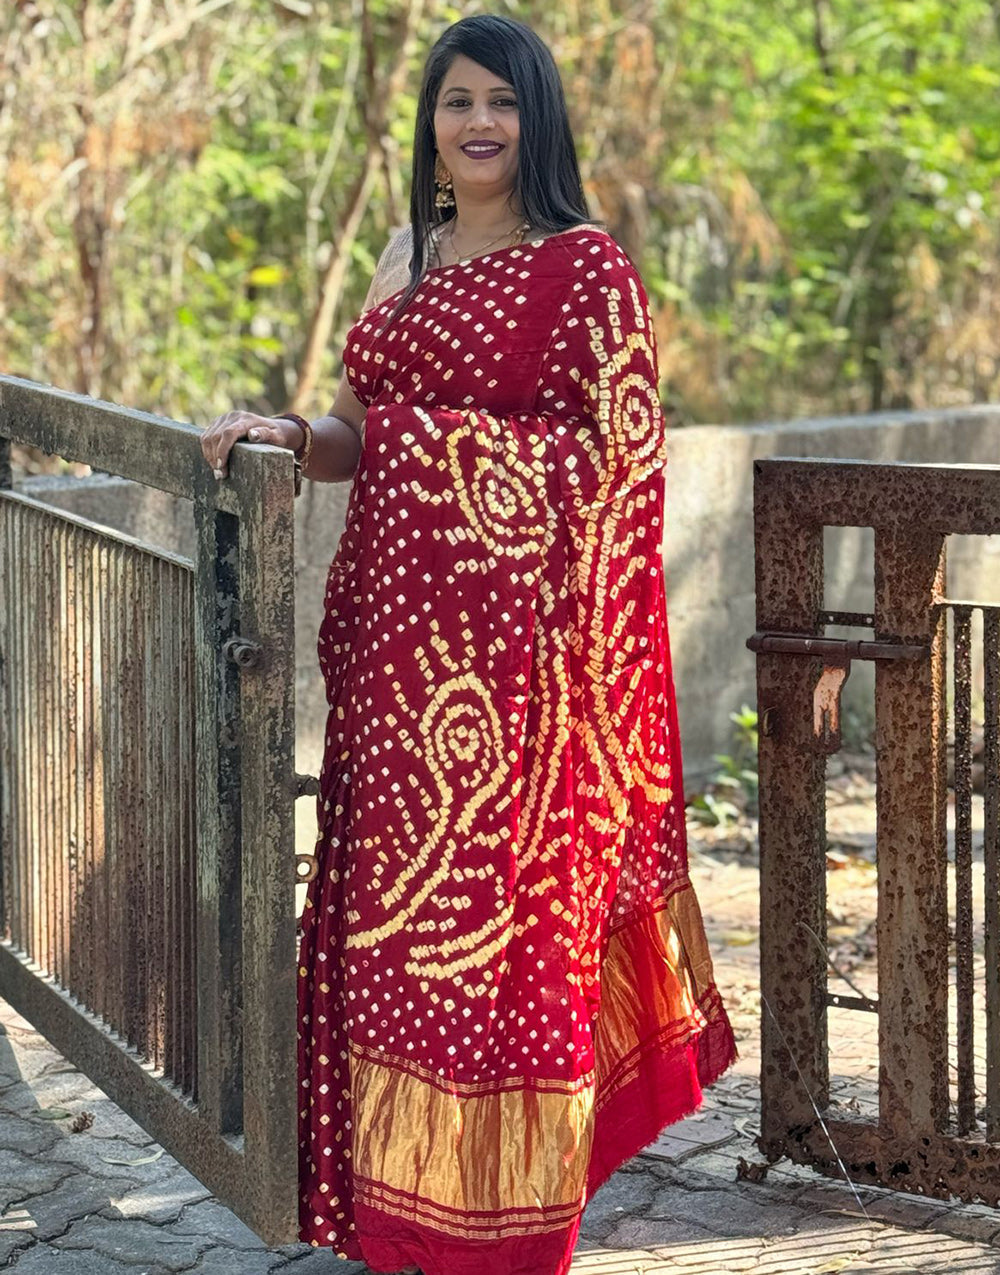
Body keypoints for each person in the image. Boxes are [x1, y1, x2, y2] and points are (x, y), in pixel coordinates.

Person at [201, 14, 736, 1275]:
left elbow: (617, 467)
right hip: (397, 665)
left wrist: (421, 449)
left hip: (524, 687)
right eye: (456, 103)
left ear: (537, 120)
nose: (479, 122)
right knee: (396, 929)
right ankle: (401, 1213)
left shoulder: (586, 266)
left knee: (505, 944)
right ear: (430, 127)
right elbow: (356, 427)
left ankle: (507, 1224)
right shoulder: (409, 253)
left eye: (502, 101)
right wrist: (289, 435)